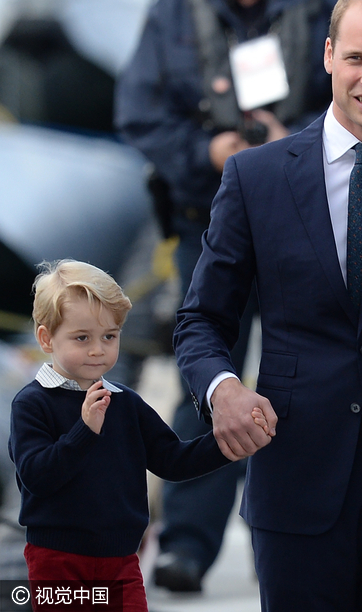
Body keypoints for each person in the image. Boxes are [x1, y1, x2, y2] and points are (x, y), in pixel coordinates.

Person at [114, 0, 362, 592]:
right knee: (207, 393)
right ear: (331, 55)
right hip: (296, 469)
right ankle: (188, 539)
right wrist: (223, 388)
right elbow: (200, 321)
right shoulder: (181, 15)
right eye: (356, 58)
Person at [7, 260, 263, 611]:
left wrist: (229, 444)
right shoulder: (32, 404)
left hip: (121, 560)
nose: (98, 349)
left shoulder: (125, 403)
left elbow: (172, 460)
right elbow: (37, 476)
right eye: (82, 338)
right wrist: (85, 430)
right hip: (59, 563)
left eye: (109, 336)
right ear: (46, 338)